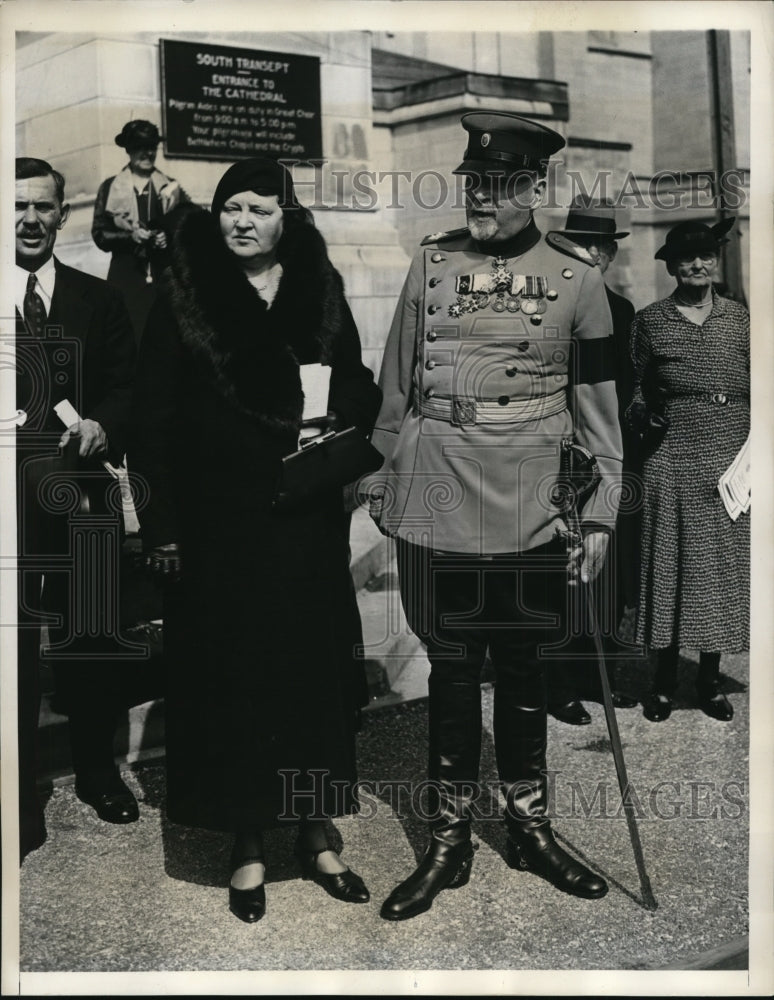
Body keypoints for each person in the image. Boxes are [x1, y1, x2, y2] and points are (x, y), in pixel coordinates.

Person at [365, 112, 623, 920]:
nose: (484, 196)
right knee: (448, 672)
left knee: (521, 674)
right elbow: (396, 385)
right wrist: (381, 478)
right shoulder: (433, 263)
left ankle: (529, 827)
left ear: (535, 187)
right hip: (436, 495)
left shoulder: (580, 281)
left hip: (530, 507)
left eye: (503, 184)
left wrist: (605, 512)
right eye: (476, 182)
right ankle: (447, 841)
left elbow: (599, 416)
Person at [129, 157, 381, 923]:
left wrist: (347, 424)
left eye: (259, 209)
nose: (242, 221)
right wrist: (164, 528)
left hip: (303, 525)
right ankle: (245, 842)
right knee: (232, 684)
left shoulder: (320, 289)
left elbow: (356, 382)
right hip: (218, 532)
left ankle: (315, 830)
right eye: (230, 207)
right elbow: (151, 423)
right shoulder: (185, 296)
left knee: (308, 679)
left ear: (285, 218)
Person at [15, 157, 138, 859]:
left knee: (91, 636)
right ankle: (20, 787)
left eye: (42, 206)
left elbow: (126, 387)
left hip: (80, 489)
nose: (29, 219)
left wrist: (103, 423)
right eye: (17, 206)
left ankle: (96, 771)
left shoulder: (99, 300)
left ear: (64, 215)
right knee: (13, 646)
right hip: (6, 503)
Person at [628, 219, 749, 723]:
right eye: (687, 258)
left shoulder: (741, 320)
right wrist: (641, 414)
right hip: (672, 456)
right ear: (671, 266)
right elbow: (633, 387)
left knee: (718, 572)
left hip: (731, 461)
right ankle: (659, 682)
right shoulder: (650, 321)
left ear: (716, 262)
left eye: (706, 256)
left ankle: (708, 680)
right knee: (669, 567)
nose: (698, 265)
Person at [543, 197, 640, 724]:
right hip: (552, 454)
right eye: (575, 247)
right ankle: (558, 685)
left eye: (593, 248)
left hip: (599, 459)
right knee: (561, 574)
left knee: (602, 575)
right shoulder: (550, 300)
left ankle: (596, 676)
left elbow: (621, 390)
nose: (585, 257)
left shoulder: (620, 310)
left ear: (606, 254)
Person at [92, 120, 189, 342]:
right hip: (126, 275)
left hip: (163, 275)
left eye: (152, 147)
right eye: (139, 147)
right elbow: (99, 233)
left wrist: (170, 237)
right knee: (127, 334)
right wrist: (130, 236)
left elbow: (185, 227)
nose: (147, 153)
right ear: (128, 150)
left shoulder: (170, 187)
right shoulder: (109, 187)